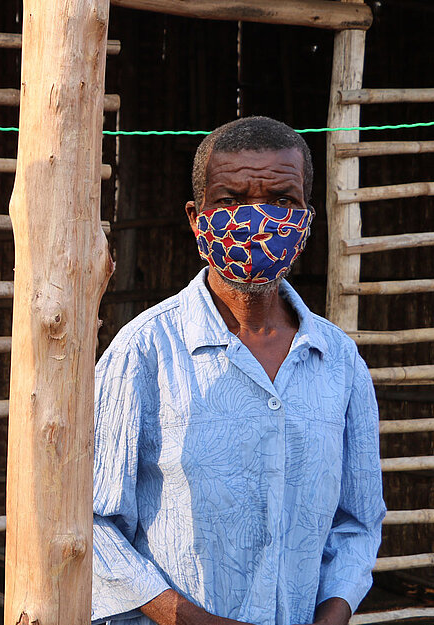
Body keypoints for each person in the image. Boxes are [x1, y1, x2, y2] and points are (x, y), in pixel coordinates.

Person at [91, 117, 385, 625]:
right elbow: (94, 523)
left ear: (307, 218)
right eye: (230, 200)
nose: (257, 218)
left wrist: (332, 615)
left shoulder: (339, 363)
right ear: (196, 216)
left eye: (282, 201)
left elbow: (358, 524)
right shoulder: (144, 352)